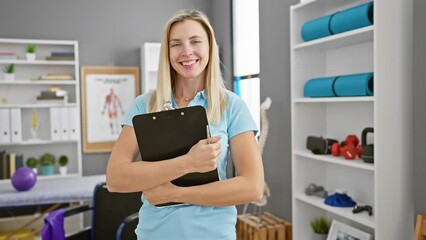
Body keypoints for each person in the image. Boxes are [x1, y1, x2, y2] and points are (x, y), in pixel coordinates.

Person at [106, 9, 264, 240]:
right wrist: (188, 162)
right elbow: (115, 178)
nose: (186, 51)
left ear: (209, 46)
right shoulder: (144, 105)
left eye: (195, 41)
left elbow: (252, 186)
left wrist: (176, 193)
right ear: (167, 52)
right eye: (176, 44)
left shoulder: (231, 106)